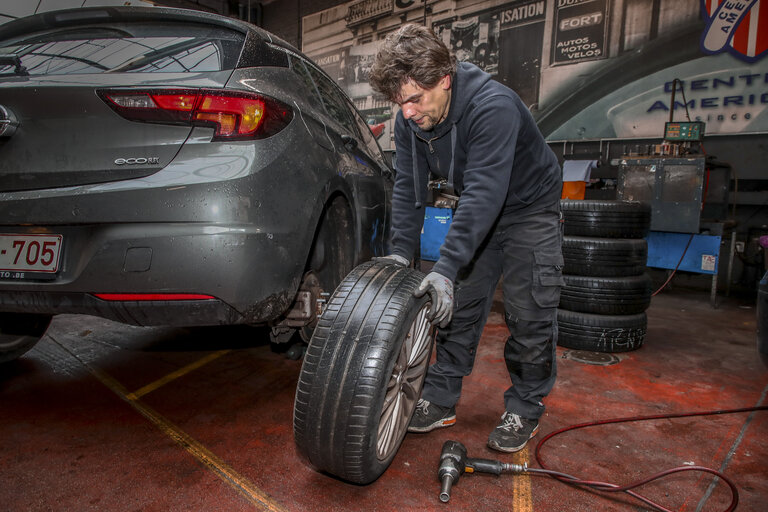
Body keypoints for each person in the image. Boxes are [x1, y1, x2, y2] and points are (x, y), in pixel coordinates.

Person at [368, 23, 564, 453]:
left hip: (528, 207)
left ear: (444, 79)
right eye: (400, 102)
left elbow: (484, 192)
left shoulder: (493, 107)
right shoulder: (411, 120)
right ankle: (440, 398)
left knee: (529, 309)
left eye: (415, 99)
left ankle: (526, 405)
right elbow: (408, 188)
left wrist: (447, 263)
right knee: (456, 305)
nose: (407, 112)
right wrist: (402, 256)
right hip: (479, 206)